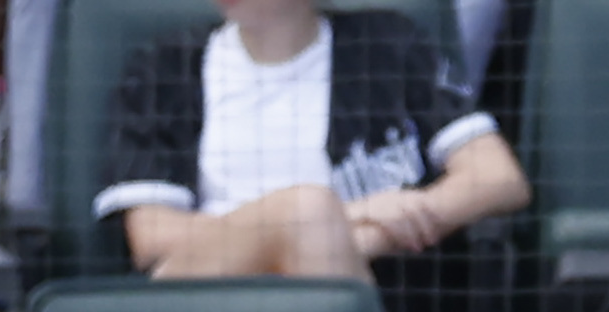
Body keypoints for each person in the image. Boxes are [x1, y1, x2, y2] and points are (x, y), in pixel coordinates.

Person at [99, 0, 525, 282]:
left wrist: (370, 235)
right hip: (210, 292)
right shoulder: (162, 68)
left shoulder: (388, 44)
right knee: (309, 209)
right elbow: (154, 237)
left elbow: (498, 178)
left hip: (359, 293)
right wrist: (346, 219)